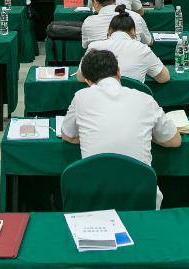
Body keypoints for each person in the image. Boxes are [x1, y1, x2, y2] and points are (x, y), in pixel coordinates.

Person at [60, 50, 181, 201]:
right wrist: (147, 134)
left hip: (94, 198)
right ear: (118, 72)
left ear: (87, 81)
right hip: (142, 199)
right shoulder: (145, 99)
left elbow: (67, 136)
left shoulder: (80, 97)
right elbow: (174, 140)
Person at [82, 5, 169, 84]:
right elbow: (164, 78)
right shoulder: (143, 49)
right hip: (134, 96)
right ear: (133, 32)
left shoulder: (94, 47)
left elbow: (81, 76)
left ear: (109, 31)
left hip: (101, 96)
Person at [81, 0, 151, 47]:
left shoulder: (88, 23)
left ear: (95, 3)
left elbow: (85, 46)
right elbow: (148, 42)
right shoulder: (136, 17)